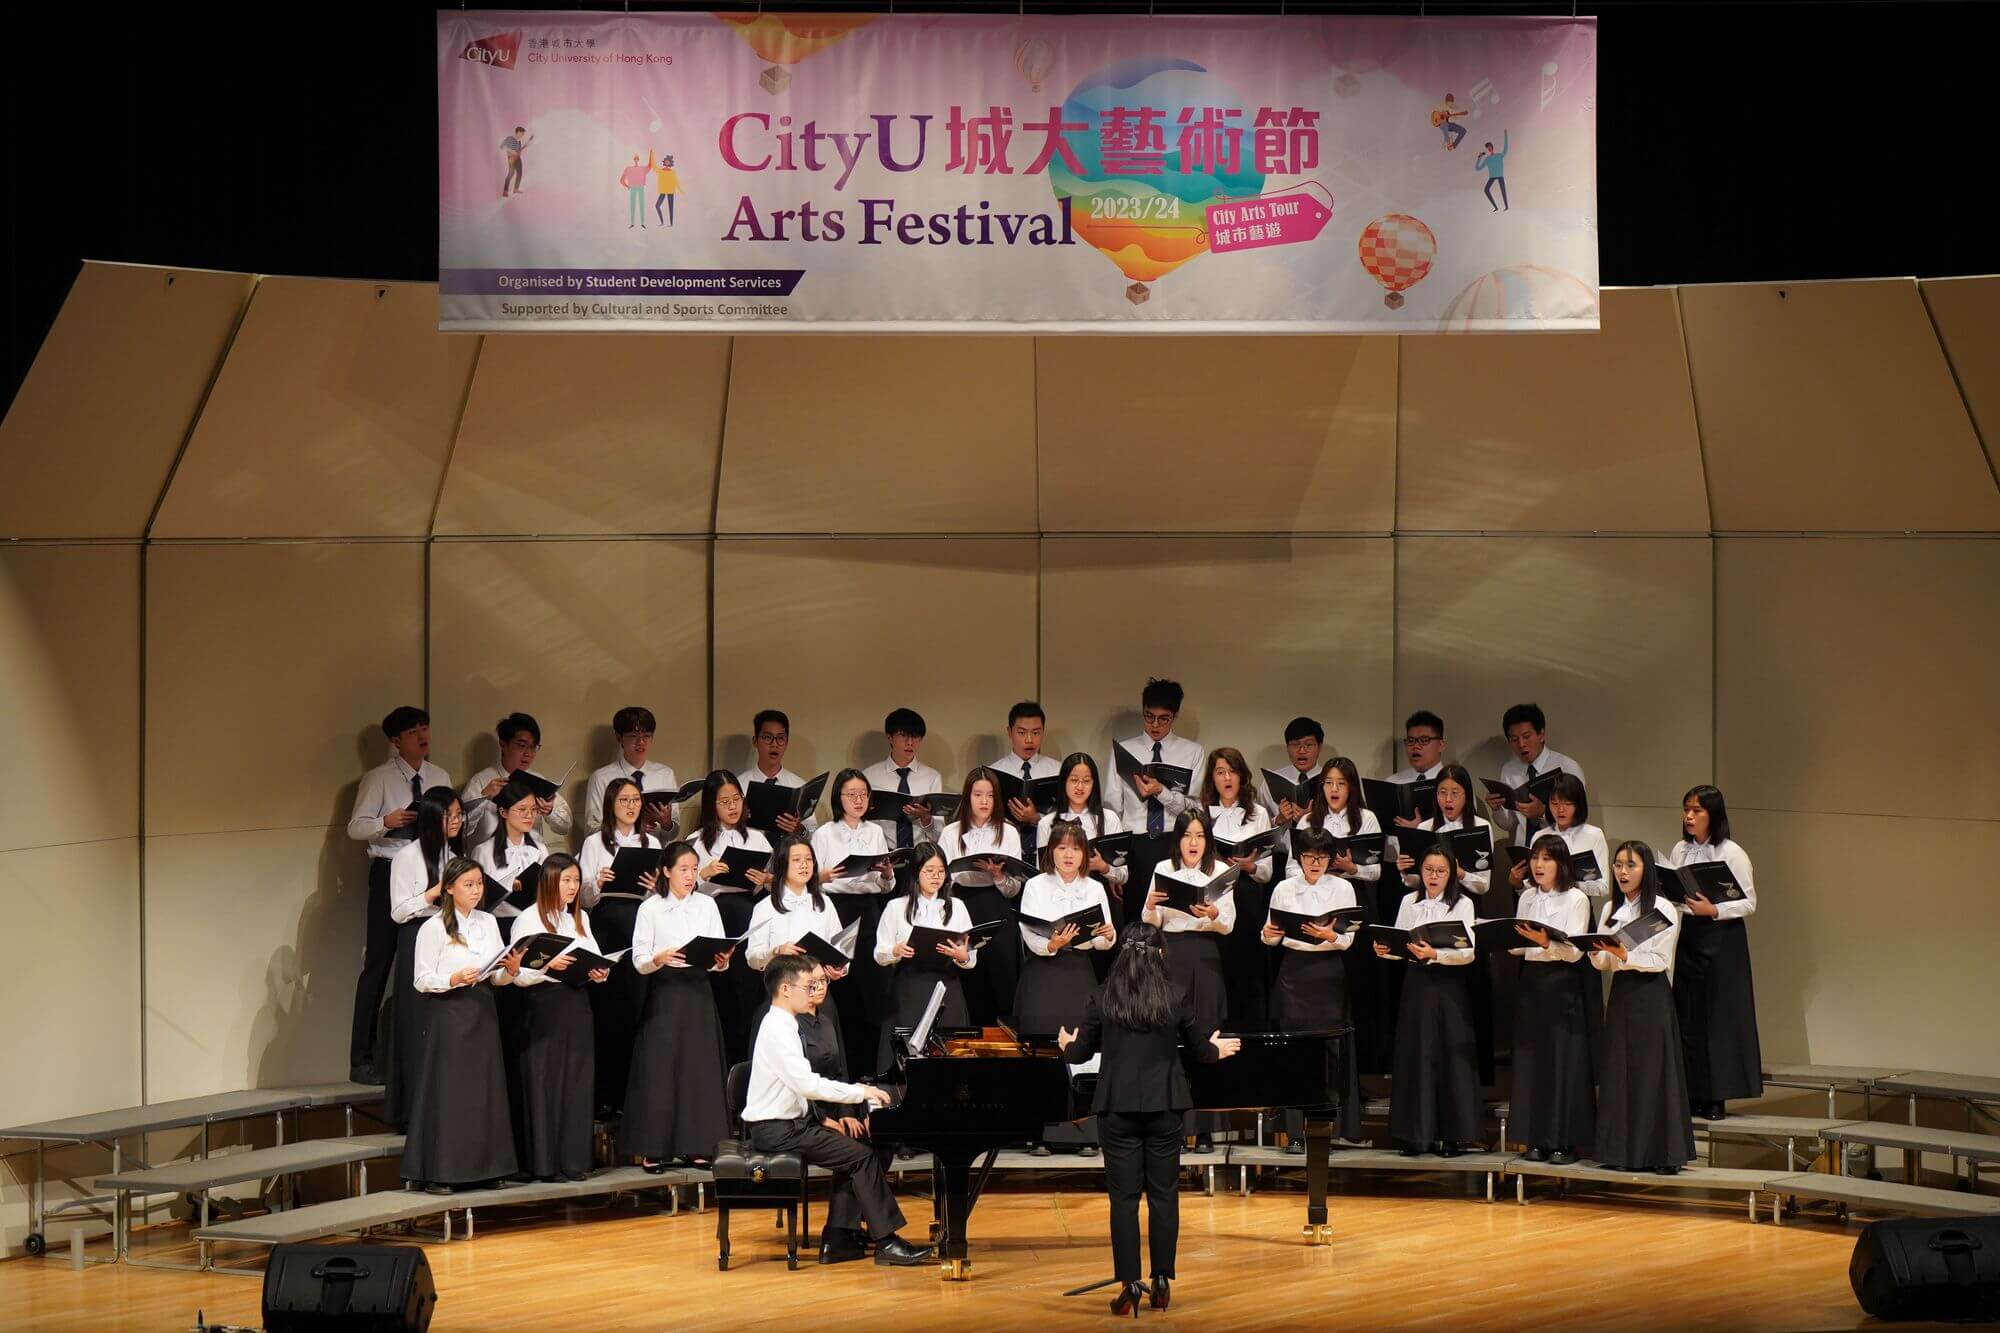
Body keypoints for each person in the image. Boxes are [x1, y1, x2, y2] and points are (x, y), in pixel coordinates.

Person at [1058, 922, 1241, 1318]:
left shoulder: (1103, 996)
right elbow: (1201, 1051)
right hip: (1165, 1107)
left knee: (1123, 1200)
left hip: (1117, 1108)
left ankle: (1129, 1284)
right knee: (1164, 1196)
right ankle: (1161, 1280)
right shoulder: (1175, 995)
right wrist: (1216, 1049)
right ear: (1159, 954)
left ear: (1122, 954)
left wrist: (1065, 1044)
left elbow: (1078, 1054)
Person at [741, 955, 933, 1267]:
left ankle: (840, 1237)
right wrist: (861, 1092)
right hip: (778, 1130)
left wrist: (825, 1117)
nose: (814, 991)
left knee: (859, 1149)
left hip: (793, 1124)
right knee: (862, 1157)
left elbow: (799, 1087)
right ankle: (886, 1242)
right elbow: (806, 1084)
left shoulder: (785, 1023)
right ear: (786, 989)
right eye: (808, 986)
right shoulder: (778, 1028)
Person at [403, 857, 525, 1193]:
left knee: (486, 1091)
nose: (475, 891)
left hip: (482, 1010)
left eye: (479, 884)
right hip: (450, 1012)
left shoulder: (488, 922)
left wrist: (511, 970)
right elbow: (421, 979)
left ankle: (489, 1168)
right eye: (468, 885)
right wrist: (452, 978)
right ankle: (442, 1171)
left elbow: (497, 977)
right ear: (449, 888)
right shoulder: (433, 927)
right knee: (451, 1093)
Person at [346, 705, 451, 1084]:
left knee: (427, 960)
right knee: (379, 963)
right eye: (412, 732)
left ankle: (420, 1055)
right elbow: (355, 828)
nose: (422, 736)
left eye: (425, 728)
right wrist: (385, 822)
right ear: (395, 740)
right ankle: (362, 1059)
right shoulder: (379, 778)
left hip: (431, 868)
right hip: (391, 869)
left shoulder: (439, 775)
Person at [621, 841, 733, 1172]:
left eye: (694, 869)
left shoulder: (707, 905)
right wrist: (659, 957)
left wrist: (721, 961)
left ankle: (698, 1145)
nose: (689, 876)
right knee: (661, 1068)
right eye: (683, 869)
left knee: (698, 1068)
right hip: (665, 991)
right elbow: (639, 959)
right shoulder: (650, 908)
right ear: (666, 872)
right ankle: (654, 1148)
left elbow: (718, 954)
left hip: (698, 990)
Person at [1591, 841, 1696, 1174]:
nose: (1622, 872)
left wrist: (1624, 954)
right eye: (1618, 865)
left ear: (1646, 870)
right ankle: (1620, 1152)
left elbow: (1659, 959)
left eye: (1630, 865)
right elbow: (1603, 962)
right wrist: (1595, 951)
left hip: (1651, 994)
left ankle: (1662, 1154)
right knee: (1620, 1070)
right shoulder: (1611, 908)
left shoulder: (1662, 908)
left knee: (1653, 1071)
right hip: (1622, 994)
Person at [1662, 785, 1762, 1120]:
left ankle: (1716, 1096)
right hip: (1691, 935)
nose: (1689, 817)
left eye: (1697, 811)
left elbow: (1749, 902)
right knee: (1688, 1012)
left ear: (1713, 814)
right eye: (1686, 810)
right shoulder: (1680, 849)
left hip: (1723, 939)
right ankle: (1692, 1092)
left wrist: (1715, 909)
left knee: (1719, 1016)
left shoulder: (1732, 852)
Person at [508, 853, 610, 1182]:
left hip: (577, 1005)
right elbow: (518, 975)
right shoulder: (527, 920)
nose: (573, 886)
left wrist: (599, 972)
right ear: (550, 881)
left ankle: (573, 1160)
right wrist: (548, 966)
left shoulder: (580, 919)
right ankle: (544, 1163)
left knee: (576, 1082)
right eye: (566, 880)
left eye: (576, 880)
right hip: (542, 1006)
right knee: (545, 1082)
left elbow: (595, 957)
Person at [1019, 821, 1118, 1152]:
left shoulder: (1094, 888)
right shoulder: (1035, 886)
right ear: (1051, 851)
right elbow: (1030, 933)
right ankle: (1041, 1133)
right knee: (1043, 1052)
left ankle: (1085, 1133)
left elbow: (1105, 938)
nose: (1068, 855)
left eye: (1075, 848)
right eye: (1061, 848)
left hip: (1079, 973)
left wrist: (1108, 936)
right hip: (1043, 974)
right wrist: (1053, 943)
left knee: (1082, 1047)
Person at [1260, 827, 1363, 1145]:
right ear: (1299, 857)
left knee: (1330, 1051)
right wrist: (1268, 933)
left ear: (1330, 859)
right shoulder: (1284, 888)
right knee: (1294, 1051)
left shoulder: (1343, 888)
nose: (1314, 863)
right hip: (1294, 973)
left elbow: (1348, 939)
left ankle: (1330, 1129)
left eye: (1321, 857)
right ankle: (1294, 1133)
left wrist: (1330, 935)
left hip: (1328, 973)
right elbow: (1270, 937)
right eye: (1308, 857)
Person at [1141, 808, 1235, 1153]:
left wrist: (1214, 914)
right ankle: (1172, 1127)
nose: (1193, 842)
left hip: (1206, 953)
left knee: (1207, 1034)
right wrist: (1151, 906)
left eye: (1199, 836)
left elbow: (1229, 925)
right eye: (1186, 835)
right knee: (1170, 1038)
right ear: (1177, 840)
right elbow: (1149, 922)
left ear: (1207, 840)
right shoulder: (1163, 869)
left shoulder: (1220, 871)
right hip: (1171, 954)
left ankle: (1206, 1130)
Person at [1378, 849, 1481, 1156]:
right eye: (1428, 870)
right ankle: (1415, 1134)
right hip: (1417, 984)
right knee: (1417, 1054)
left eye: (1440, 871)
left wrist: (1436, 954)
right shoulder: (1409, 901)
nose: (1433, 876)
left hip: (1448, 985)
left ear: (1450, 875)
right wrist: (1387, 950)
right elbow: (1400, 943)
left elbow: (1468, 953)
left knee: (1448, 1056)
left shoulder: (1463, 903)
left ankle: (1452, 1136)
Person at [1297, 756, 1391, 1074]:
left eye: (1341, 783)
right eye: (1328, 783)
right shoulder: (1308, 820)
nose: (1334, 789)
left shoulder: (1366, 818)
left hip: (1356, 899)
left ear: (1351, 787)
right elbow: (1292, 868)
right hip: (1317, 901)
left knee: (1358, 979)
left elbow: (1376, 872)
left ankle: (1360, 1066)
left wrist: (1351, 867)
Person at [1508, 835, 1597, 1165]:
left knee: (1562, 1061)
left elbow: (1575, 952)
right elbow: (1519, 945)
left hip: (1562, 982)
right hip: (1532, 981)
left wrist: (1546, 941)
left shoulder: (1576, 898)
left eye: (1547, 858)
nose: (1538, 865)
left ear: (1561, 864)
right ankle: (1534, 1138)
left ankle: (1563, 1141)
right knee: (1532, 1061)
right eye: (1535, 858)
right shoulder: (1527, 896)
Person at [383, 786, 463, 1128]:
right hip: (416, 935)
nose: (457, 821)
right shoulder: (407, 856)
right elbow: (398, 911)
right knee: (417, 1023)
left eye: (460, 815)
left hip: (447, 934)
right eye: (451, 816)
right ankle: (412, 1112)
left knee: (441, 1023)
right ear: (432, 818)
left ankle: (443, 1106)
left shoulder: (452, 854)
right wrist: (432, 894)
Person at [691, 768, 776, 1064]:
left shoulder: (757, 838)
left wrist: (766, 879)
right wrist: (703, 873)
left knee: (749, 987)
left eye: (736, 799)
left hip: (749, 914)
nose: (732, 806)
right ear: (711, 805)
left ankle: (749, 1058)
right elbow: (680, 888)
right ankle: (722, 1061)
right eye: (724, 801)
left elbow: (776, 882)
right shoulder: (697, 841)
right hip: (714, 916)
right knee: (722, 988)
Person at [813, 768, 898, 1062]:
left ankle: (873, 1062)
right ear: (839, 797)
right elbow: (808, 880)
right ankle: (844, 1059)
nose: (858, 800)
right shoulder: (824, 833)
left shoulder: (875, 832)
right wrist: (821, 876)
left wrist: (887, 873)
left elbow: (885, 884)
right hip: (837, 908)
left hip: (869, 909)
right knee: (842, 982)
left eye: (863, 794)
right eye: (851, 794)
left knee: (873, 983)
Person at [1106, 680, 1205, 926]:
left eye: (1164, 719)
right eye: (1149, 717)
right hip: (1134, 844)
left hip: (1174, 841)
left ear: (1175, 716)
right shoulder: (1124, 750)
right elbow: (1112, 809)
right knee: (1135, 919)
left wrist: (1161, 791)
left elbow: (1196, 810)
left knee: (1173, 916)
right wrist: (1113, 865)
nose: (1155, 725)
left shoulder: (1192, 752)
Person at [872, 843, 976, 1069]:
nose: (936, 877)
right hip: (910, 987)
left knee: (949, 1051)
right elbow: (879, 953)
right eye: (929, 871)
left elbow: (971, 956)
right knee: (907, 1053)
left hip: (947, 987)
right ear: (915, 872)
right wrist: (895, 950)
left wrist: (962, 956)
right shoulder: (896, 907)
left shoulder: (957, 906)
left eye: (941, 871)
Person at [746, 834, 850, 1050]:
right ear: (782, 864)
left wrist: (839, 968)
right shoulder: (765, 907)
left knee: (823, 1062)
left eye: (809, 859)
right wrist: (776, 951)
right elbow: (752, 958)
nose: (804, 865)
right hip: (782, 999)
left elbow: (841, 950)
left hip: (819, 998)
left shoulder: (824, 904)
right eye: (796, 860)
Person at [942, 766, 1027, 1025]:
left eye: (990, 796)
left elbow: (1015, 887)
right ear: (968, 797)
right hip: (962, 905)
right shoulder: (951, 832)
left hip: (997, 904)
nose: (984, 801)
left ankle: (1006, 1034)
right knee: (968, 974)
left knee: (1002, 974)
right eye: (978, 795)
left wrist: (998, 875)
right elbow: (941, 880)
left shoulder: (1008, 831)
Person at [1203, 747, 1275, 1030]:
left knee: (1249, 969)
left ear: (1242, 776)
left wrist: (1250, 866)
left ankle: (1251, 1032)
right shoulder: (1203, 813)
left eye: (1232, 771)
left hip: (1247, 894)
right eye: (1220, 772)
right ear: (1212, 778)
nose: (1226, 778)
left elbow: (1267, 871)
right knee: (1219, 967)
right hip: (1215, 894)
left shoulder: (1258, 813)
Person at [460, 712, 571, 846]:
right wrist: (483, 798)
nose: (528, 753)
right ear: (503, 745)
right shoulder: (480, 781)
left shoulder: (539, 781)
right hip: (492, 856)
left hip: (533, 855)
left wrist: (550, 811)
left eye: (533, 747)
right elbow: (460, 829)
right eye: (522, 745)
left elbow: (565, 827)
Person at [1485, 703, 1586, 846]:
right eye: (1514, 739)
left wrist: (1543, 813)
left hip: (1561, 849)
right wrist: (1497, 809)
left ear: (1541, 735)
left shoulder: (1567, 767)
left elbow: (1579, 818)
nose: (1521, 744)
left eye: (1526, 736)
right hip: (1523, 851)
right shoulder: (1509, 770)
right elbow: (1508, 824)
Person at [1034, 752, 1128, 902]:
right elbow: (1042, 873)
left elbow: (1123, 875)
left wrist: (1103, 867)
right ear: (1064, 782)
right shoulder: (1047, 823)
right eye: (1074, 780)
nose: (1080, 787)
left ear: (1094, 783)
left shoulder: (1109, 818)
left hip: (1099, 896)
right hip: (1059, 900)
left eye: (1086, 781)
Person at [1508, 773, 1609, 901]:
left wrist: (1565, 883)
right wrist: (1518, 884)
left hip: (1578, 905)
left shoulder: (1594, 835)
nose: (1560, 809)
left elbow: (1603, 887)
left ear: (1578, 805)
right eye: (1554, 803)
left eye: (1567, 803)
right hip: (1543, 906)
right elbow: (1532, 888)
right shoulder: (1540, 836)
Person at [583, 706, 678, 837]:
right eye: (634, 736)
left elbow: (673, 833)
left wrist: (667, 824)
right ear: (619, 738)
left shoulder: (665, 774)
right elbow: (590, 830)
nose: (641, 742)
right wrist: (629, 827)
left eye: (647, 736)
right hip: (617, 849)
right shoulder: (601, 777)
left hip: (657, 848)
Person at [860, 707, 943, 851]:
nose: (910, 742)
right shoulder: (869, 776)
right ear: (890, 737)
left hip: (921, 855)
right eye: (903, 735)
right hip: (883, 854)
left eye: (915, 736)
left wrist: (926, 819)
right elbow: (860, 824)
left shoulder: (932, 778)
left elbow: (939, 836)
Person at [736, 708, 817, 837]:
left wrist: (799, 829)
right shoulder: (738, 786)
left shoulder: (799, 786)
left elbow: (813, 835)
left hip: (789, 849)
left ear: (786, 742)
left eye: (780, 738)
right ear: (755, 741)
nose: (774, 744)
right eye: (767, 737)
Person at [1001, 701, 1063, 861]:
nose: (1029, 740)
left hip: (1049, 856)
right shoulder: (994, 772)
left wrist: (1037, 819)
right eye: (1022, 733)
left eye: (1036, 733)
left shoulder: (1059, 771)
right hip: (1006, 856)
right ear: (1009, 732)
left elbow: (1069, 820)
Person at [1476, 131, 1509, 211]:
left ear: (1492, 147)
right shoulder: (1487, 159)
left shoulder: (1499, 155)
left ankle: (1506, 206)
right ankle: (1495, 207)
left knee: (1503, 190)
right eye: (1487, 148)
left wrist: (1505, 135)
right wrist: (1479, 158)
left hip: (1500, 175)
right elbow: (1478, 168)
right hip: (1492, 177)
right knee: (1486, 190)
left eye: (1490, 147)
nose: (1489, 149)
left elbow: (1505, 149)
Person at [621, 152, 651, 229]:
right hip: (633, 187)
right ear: (634, 159)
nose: (636, 160)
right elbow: (621, 180)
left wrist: (651, 154)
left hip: (640, 187)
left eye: (637, 158)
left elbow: (650, 165)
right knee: (633, 205)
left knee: (641, 205)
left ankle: (642, 223)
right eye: (635, 158)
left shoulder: (642, 168)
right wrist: (627, 186)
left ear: (638, 159)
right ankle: (633, 223)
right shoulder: (628, 168)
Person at [500, 126, 532, 197]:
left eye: (523, 134)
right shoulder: (510, 138)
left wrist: (525, 145)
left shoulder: (519, 141)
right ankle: (505, 191)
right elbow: (502, 146)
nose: (522, 135)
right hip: (511, 158)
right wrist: (512, 151)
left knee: (520, 173)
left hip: (518, 158)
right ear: (518, 132)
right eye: (522, 133)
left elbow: (518, 151)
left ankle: (515, 189)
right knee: (511, 174)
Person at [653, 152, 679, 226]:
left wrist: (681, 190)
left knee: (671, 207)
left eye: (668, 161)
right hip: (663, 190)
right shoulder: (661, 170)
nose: (667, 162)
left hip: (671, 190)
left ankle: (671, 223)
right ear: (664, 162)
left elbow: (676, 181)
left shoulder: (673, 172)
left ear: (670, 163)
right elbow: (654, 167)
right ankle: (662, 222)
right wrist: (651, 155)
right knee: (657, 205)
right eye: (666, 161)